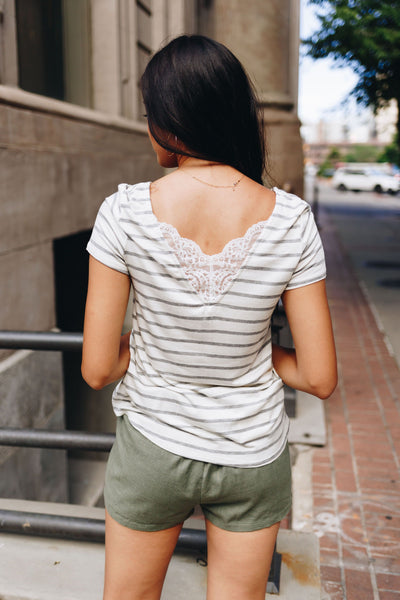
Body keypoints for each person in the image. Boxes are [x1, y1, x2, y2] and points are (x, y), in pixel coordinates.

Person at [82, 34, 337, 600]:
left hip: (152, 445)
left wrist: (151, 346)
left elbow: (98, 369)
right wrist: (247, 350)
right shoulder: (291, 220)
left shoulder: (123, 212)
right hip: (253, 453)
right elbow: (319, 377)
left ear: (170, 123)